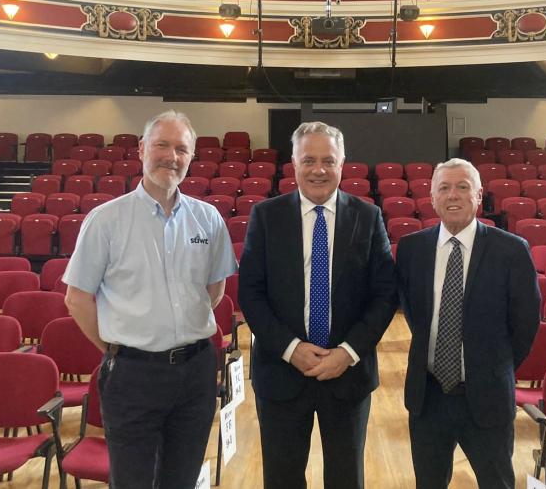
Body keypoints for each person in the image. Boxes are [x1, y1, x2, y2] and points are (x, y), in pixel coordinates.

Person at [62, 110, 238, 489]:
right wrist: (116, 350)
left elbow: (215, 289)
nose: (171, 156)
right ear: (142, 149)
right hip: (133, 375)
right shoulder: (105, 220)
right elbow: (76, 299)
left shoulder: (208, 219)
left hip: (196, 371)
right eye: (162, 145)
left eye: (181, 149)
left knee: (182, 478)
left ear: (191, 157)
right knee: (132, 481)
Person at [238, 121, 398, 489]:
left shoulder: (368, 216)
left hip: (348, 375)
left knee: (346, 478)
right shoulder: (266, 216)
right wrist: (291, 349)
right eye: (309, 160)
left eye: (329, 160)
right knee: (282, 477)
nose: (319, 169)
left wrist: (349, 352)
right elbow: (251, 292)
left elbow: (384, 293)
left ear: (343, 164)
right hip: (281, 372)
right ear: (293, 164)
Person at [395, 158, 541, 489]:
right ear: (432, 198)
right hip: (428, 397)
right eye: (443, 188)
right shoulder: (411, 249)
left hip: (487, 397)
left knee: (497, 483)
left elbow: (525, 323)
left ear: (478, 196)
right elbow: (413, 312)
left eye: (463, 187)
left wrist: (493, 367)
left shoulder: (511, 250)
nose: (453, 196)